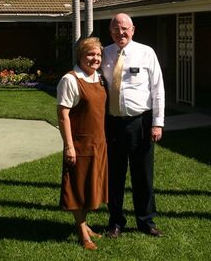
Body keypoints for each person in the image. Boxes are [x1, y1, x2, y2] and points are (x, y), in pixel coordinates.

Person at [101, 13, 165, 238]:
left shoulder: (146, 53)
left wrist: (157, 123)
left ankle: (145, 221)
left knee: (143, 175)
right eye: (117, 29)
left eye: (125, 28)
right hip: (113, 124)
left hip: (141, 122)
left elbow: (158, 89)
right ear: (111, 31)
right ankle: (116, 221)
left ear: (133, 29)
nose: (121, 33)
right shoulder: (104, 53)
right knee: (115, 175)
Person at [57, 37, 108, 250]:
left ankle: (85, 226)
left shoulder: (99, 78)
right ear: (80, 56)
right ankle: (82, 232)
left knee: (91, 187)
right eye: (90, 54)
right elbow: (63, 115)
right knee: (78, 189)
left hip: (99, 142)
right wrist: (69, 146)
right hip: (80, 144)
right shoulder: (70, 80)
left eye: (98, 54)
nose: (95, 58)